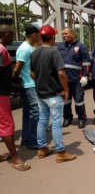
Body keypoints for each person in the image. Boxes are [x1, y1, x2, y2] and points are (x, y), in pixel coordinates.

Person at [30, 25, 77, 163]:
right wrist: (66, 89)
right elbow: (61, 73)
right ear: (52, 37)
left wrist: (39, 82)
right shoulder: (53, 52)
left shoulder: (35, 53)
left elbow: (32, 72)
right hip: (54, 94)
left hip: (41, 93)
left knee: (42, 121)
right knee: (56, 123)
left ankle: (42, 148)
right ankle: (61, 152)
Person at [0, 24, 31, 170]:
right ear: (6, 35)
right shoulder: (1, 50)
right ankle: (15, 158)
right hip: (1, 94)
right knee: (7, 126)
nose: (13, 37)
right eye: (12, 35)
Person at [12, 23, 41, 150]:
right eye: (39, 34)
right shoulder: (25, 49)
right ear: (34, 35)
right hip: (30, 86)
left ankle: (26, 139)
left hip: (29, 85)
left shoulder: (29, 47)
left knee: (28, 114)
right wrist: (16, 79)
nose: (40, 36)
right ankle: (33, 142)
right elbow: (17, 69)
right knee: (35, 114)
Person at [57, 27, 90, 129]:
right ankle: (67, 118)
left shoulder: (81, 46)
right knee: (66, 100)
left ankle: (81, 118)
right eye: (63, 34)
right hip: (64, 80)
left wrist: (85, 75)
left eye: (66, 33)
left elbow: (86, 62)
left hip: (76, 79)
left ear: (72, 34)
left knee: (79, 101)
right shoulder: (60, 47)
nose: (64, 36)